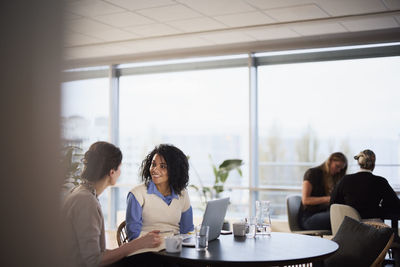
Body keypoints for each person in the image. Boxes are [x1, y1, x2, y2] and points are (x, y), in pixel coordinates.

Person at [62, 141, 162, 267]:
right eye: (120, 167)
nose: (120, 172)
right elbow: (94, 261)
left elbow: (96, 254)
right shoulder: (86, 201)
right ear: (112, 172)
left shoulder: (81, 193)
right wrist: (138, 243)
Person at [126, 144, 194, 241]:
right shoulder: (137, 194)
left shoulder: (182, 194)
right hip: (146, 250)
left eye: (162, 166)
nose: (154, 170)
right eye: (153, 164)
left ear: (174, 170)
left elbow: (187, 231)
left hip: (174, 248)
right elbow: (133, 236)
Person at [330, 149, 400, 219]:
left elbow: (333, 203)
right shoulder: (380, 182)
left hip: (349, 226)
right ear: (373, 164)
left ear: (358, 163)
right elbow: (395, 205)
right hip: (372, 227)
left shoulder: (345, 180)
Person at [299, 152, 348, 230]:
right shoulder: (312, 173)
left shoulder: (333, 178)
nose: (339, 171)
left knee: (343, 214)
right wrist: (329, 198)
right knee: (340, 216)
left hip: (323, 213)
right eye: (337, 166)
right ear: (330, 161)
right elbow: (305, 200)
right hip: (308, 218)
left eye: (341, 169)